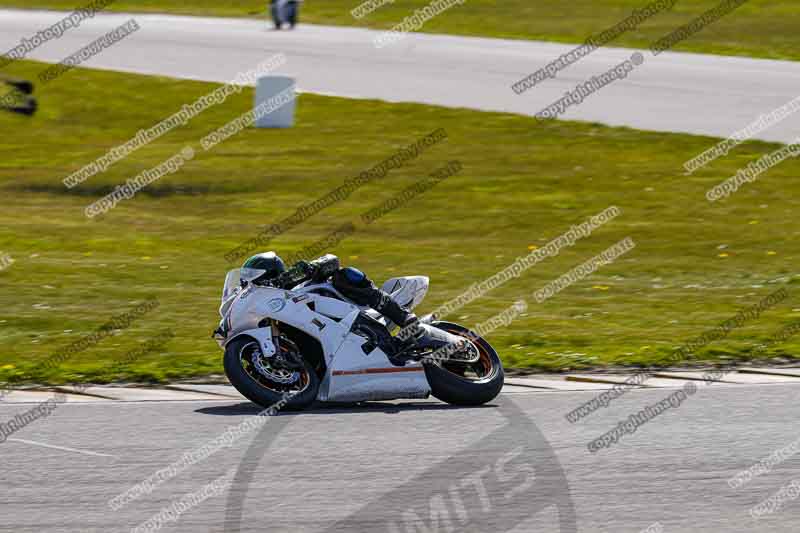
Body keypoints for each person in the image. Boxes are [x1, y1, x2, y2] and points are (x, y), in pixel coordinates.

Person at [240, 252, 422, 343]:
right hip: (328, 338)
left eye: (256, 280)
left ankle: (403, 316)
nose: (252, 286)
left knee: (346, 275)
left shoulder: (298, 282)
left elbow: (331, 259)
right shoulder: (271, 309)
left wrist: (312, 267)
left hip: (355, 313)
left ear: (271, 274)